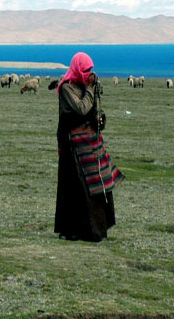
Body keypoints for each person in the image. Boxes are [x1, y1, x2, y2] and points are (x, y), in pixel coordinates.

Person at [55, 52, 123, 241]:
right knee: (77, 187)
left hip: (90, 141)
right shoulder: (67, 88)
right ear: (77, 69)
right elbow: (82, 108)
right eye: (85, 70)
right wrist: (90, 88)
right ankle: (76, 229)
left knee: (98, 183)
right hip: (73, 143)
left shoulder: (84, 87)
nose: (88, 74)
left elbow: (91, 110)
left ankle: (98, 227)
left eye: (90, 71)